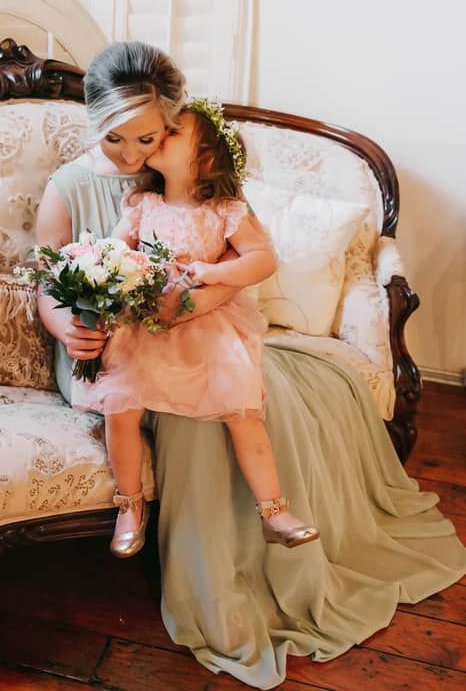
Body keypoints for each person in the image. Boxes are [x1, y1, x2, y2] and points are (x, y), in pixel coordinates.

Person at [36, 40, 465, 689]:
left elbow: (239, 267)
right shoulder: (70, 187)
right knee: (183, 413)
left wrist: (187, 303)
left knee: (240, 405)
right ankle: (188, 562)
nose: (131, 155)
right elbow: (49, 280)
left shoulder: (199, 181)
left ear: (173, 125)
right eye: (115, 138)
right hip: (106, 345)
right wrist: (66, 326)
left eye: (148, 138)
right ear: (93, 121)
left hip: (196, 330)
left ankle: (257, 563)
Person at [74, 99, 320, 557]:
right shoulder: (142, 205)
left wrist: (215, 272)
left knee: (242, 409)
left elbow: (262, 260)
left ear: (206, 157)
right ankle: (129, 505)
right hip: (146, 323)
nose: (159, 137)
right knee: (121, 407)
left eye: (173, 132)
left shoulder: (226, 210)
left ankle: (274, 511)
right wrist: (109, 274)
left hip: (209, 322)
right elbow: (114, 252)